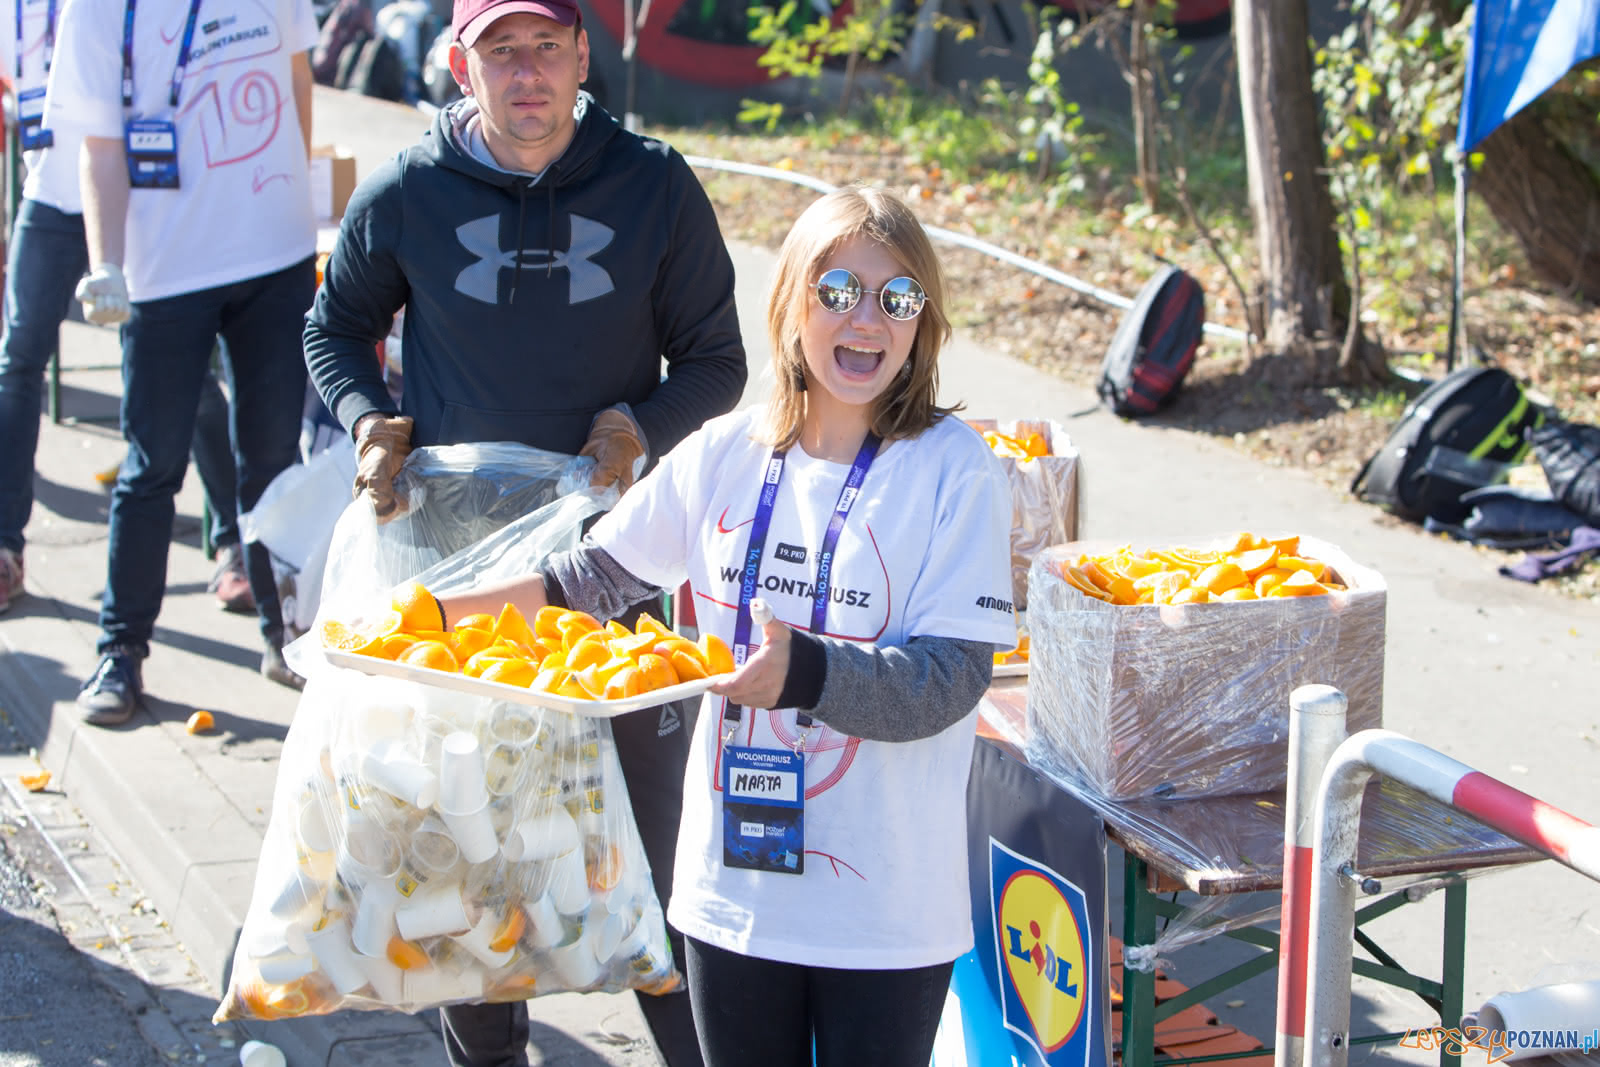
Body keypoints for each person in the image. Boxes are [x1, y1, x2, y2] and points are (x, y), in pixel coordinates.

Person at [438, 186, 1018, 1066]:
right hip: (731, 896)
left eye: (897, 298)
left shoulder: (956, 470)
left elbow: (949, 679)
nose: (867, 320)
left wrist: (808, 672)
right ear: (789, 303)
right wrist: (434, 623)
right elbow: (586, 581)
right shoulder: (723, 451)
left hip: (885, 911)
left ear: (921, 324)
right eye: (838, 291)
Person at [301, 0, 746, 1060]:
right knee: (472, 839)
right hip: (455, 570)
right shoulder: (409, 190)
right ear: (463, 64)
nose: (528, 72)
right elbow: (335, 326)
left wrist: (639, 425)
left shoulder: (654, 186)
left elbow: (718, 360)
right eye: (502, 50)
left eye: (548, 45)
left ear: (584, 55)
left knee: (649, 838)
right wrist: (370, 424)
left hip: (614, 559)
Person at [44, 0, 320, 723]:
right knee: (152, 463)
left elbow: (297, 84)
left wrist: (299, 209)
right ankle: (120, 650)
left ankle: (283, 633)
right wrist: (105, 264)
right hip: (164, 274)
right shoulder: (97, 11)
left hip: (275, 259)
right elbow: (99, 144)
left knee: (271, 462)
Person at [0, 1, 245, 617]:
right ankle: (5, 548)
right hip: (53, 195)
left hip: (149, 198)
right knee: (17, 360)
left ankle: (234, 542)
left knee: (186, 380)